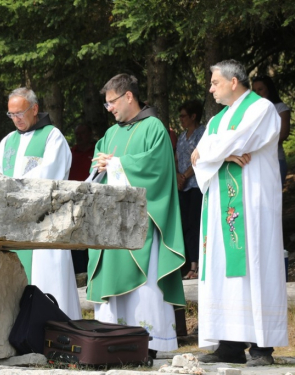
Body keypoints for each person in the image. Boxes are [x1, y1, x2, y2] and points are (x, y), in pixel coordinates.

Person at [191, 59, 288, 366]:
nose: (210, 88)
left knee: (255, 267)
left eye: (215, 82)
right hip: (221, 205)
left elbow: (234, 142)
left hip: (252, 203)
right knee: (222, 270)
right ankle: (229, 345)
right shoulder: (217, 120)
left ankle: (261, 348)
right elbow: (196, 156)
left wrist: (216, 152)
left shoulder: (261, 109)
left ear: (234, 82)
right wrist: (223, 153)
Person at [87, 74, 186, 355]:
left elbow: (157, 169)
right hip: (111, 223)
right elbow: (98, 167)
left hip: (141, 221)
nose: (110, 110)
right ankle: (112, 343)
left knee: (145, 285)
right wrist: (105, 166)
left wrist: (117, 163)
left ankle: (151, 341)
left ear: (128, 96)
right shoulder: (111, 133)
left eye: (112, 103)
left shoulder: (154, 128)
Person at [0, 87, 81, 320]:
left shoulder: (52, 136)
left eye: (20, 113)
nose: (16, 119)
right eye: (11, 115)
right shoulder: (8, 141)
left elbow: (50, 174)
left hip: (42, 226)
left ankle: (53, 335)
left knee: (46, 284)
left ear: (35, 109)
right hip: (12, 227)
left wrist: (12, 187)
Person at [176, 100, 206, 279]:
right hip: (183, 186)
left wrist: (185, 176)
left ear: (193, 116)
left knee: (195, 223)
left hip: (197, 184)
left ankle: (197, 265)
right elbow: (178, 158)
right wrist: (179, 177)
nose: (181, 119)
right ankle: (190, 264)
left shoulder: (201, 133)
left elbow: (200, 158)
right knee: (186, 225)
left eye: (183, 116)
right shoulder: (181, 136)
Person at [252, 75, 291, 186]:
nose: (257, 93)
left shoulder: (280, 107)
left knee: (274, 200)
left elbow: (283, 134)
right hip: (255, 162)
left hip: (275, 160)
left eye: (261, 89)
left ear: (269, 89)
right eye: (255, 90)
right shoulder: (252, 111)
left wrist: (257, 144)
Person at [68, 123, 96, 274]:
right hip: (75, 202)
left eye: (82, 133)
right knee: (76, 238)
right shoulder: (72, 153)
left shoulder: (96, 151)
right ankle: (79, 272)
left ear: (90, 133)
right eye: (77, 134)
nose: (79, 137)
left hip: (93, 201)